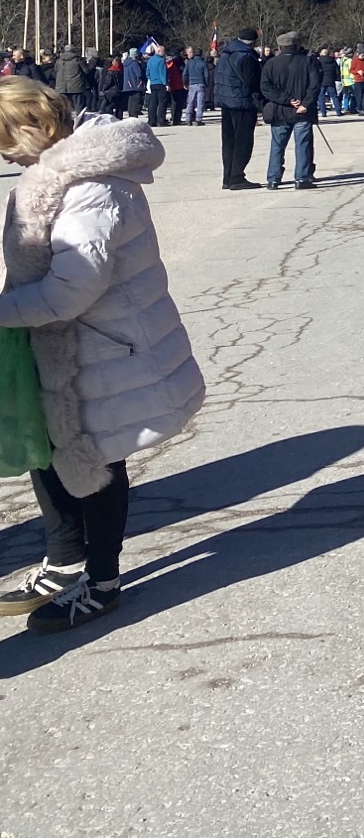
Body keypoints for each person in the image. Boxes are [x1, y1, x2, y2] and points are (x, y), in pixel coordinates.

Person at [0, 78, 205, 633]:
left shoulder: (93, 187)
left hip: (101, 345)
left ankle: (104, 581)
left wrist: (4, 311)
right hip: (67, 341)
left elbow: (72, 288)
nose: (5, 155)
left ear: (37, 128)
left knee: (98, 459)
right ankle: (66, 559)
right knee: (55, 448)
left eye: (6, 142)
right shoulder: (61, 173)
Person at [260, 31, 319, 190]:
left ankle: (273, 179)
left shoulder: (271, 63)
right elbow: (314, 85)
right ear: (297, 45)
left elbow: (265, 88)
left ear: (280, 46)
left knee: (277, 145)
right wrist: (305, 103)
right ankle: (302, 178)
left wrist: (286, 100)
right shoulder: (307, 61)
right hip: (302, 111)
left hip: (280, 110)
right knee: (303, 145)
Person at [214, 27, 262, 189]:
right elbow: (252, 81)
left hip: (226, 101)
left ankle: (227, 177)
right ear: (253, 42)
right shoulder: (246, 56)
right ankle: (237, 177)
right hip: (242, 102)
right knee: (243, 141)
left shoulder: (226, 54)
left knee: (228, 141)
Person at [143, 45, 170, 127]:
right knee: (162, 103)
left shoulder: (150, 60)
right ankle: (161, 120)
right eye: (163, 51)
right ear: (160, 51)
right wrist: (166, 84)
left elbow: (147, 73)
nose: (164, 53)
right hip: (161, 83)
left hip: (153, 83)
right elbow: (163, 73)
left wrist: (151, 78)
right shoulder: (161, 61)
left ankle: (151, 120)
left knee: (153, 102)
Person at [183, 47, 209, 126]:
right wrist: (206, 84)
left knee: (190, 102)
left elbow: (184, 74)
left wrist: (185, 83)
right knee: (200, 102)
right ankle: (198, 119)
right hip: (201, 83)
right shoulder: (203, 63)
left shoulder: (189, 62)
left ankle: (188, 119)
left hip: (192, 83)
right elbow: (206, 75)